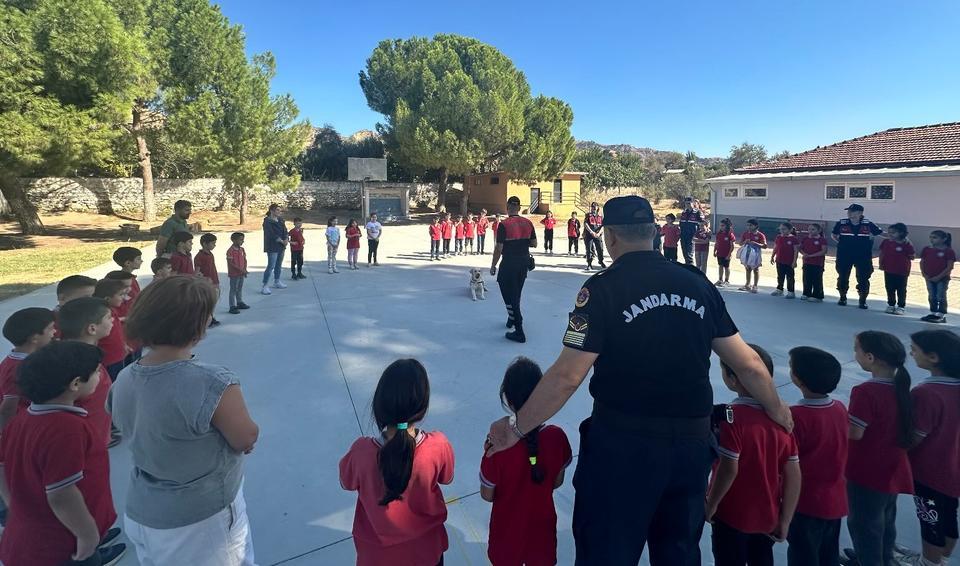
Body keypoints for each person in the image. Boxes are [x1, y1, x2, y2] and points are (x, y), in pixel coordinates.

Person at [485, 195, 793, 566]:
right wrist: (778, 409)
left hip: (623, 448)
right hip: (690, 448)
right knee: (678, 550)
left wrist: (517, 428)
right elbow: (748, 365)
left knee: (608, 549)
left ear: (610, 237)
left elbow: (568, 375)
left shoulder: (602, 289)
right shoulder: (697, 283)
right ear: (653, 232)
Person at [113, 275, 259, 566]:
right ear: (198, 325)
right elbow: (245, 437)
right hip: (199, 520)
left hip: (143, 509)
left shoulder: (125, 377)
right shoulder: (213, 381)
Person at [0, 341, 126, 566]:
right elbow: (61, 494)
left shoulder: (21, 419)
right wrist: (87, 535)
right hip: (63, 544)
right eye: (97, 372)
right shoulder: (66, 428)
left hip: (32, 533)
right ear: (76, 383)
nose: (100, 376)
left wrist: (15, 506)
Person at [339, 359, 454, 566]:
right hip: (426, 552)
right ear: (422, 407)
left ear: (379, 404)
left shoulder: (361, 452)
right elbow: (447, 478)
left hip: (376, 558)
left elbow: (346, 482)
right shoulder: (438, 445)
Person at [705, 344, 801, 566]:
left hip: (731, 512)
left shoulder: (731, 418)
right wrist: (785, 519)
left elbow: (729, 469)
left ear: (732, 379)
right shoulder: (783, 420)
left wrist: (711, 504)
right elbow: (793, 473)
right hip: (767, 513)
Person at [480, 357, 572, 566]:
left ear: (508, 400)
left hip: (506, 536)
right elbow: (556, 482)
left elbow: (487, 495)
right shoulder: (557, 437)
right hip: (542, 534)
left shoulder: (497, 447)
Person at [847, 331, 914, 566]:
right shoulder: (902, 386)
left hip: (867, 470)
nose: (854, 354)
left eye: (856, 350)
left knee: (864, 525)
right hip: (892, 466)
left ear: (870, 357)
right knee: (885, 521)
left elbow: (855, 432)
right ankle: (883, 558)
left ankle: (870, 560)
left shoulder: (865, 392)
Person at [786, 347, 847, 566]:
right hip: (835, 498)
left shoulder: (795, 416)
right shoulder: (839, 408)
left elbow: (787, 460)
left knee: (803, 555)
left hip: (806, 501)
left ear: (798, 379)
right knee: (828, 553)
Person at [908, 330, 960, 566]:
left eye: (915, 350)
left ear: (933, 357)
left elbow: (915, 436)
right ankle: (943, 559)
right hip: (953, 469)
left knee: (930, 520)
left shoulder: (926, 393)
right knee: (949, 517)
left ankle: (929, 562)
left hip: (930, 473)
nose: (911, 353)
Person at [58, 297, 116, 449]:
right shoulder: (74, 363)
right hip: (84, 444)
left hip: (96, 436)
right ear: (92, 329)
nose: (113, 321)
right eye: (109, 317)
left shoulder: (87, 354)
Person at [490, 196, 537, 343]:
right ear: (519, 207)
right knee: (516, 293)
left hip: (509, 263)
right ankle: (512, 318)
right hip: (523, 263)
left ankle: (519, 330)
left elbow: (499, 248)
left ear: (507, 206)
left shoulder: (504, 225)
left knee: (509, 295)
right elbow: (534, 243)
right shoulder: (528, 223)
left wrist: (493, 265)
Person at [0, 307, 56, 428]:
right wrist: (7, 435)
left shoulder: (19, 359)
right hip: (22, 424)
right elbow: (8, 408)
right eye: (51, 328)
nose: (55, 332)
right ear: (34, 338)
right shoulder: (18, 368)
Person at [832, 203, 883, 308]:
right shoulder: (842, 223)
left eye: (852, 211)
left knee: (863, 277)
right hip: (844, 254)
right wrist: (842, 244)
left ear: (860, 213)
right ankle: (842, 297)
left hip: (863, 255)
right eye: (848, 211)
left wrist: (898, 237)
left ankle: (862, 300)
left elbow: (880, 232)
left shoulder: (868, 224)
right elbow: (834, 235)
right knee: (842, 276)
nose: (849, 213)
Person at [93, 279, 131, 381]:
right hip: (110, 360)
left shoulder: (112, 311)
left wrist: (124, 345)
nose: (124, 298)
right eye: (120, 295)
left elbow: (117, 331)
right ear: (107, 299)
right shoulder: (102, 315)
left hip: (119, 355)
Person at [919, 229, 955, 323]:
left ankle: (941, 314)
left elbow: (949, 266)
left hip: (942, 278)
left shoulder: (948, 251)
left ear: (943, 239)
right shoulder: (926, 249)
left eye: (935, 237)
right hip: (929, 277)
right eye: (930, 237)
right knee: (932, 295)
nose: (932, 239)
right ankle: (933, 312)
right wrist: (924, 273)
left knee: (941, 295)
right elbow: (922, 261)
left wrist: (939, 277)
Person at [878, 222, 915, 315]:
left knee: (901, 289)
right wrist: (881, 263)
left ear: (901, 233)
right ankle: (891, 304)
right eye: (889, 232)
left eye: (893, 233)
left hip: (902, 270)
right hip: (888, 268)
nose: (890, 234)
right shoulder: (886, 242)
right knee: (889, 287)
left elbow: (912, 256)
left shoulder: (907, 244)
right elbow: (882, 253)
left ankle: (901, 306)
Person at [194, 233, 223, 327]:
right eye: (212, 243)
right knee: (207, 301)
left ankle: (210, 316)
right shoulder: (199, 256)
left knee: (214, 299)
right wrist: (203, 279)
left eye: (215, 243)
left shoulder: (210, 254)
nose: (214, 245)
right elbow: (197, 272)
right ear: (204, 244)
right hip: (206, 282)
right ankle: (205, 319)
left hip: (214, 280)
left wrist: (216, 281)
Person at [261, 203, 289, 295]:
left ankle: (277, 281)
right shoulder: (267, 221)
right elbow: (270, 234)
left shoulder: (281, 220)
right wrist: (281, 240)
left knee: (278, 264)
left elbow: (285, 230)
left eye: (280, 210)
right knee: (271, 266)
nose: (279, 212)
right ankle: (265, 285)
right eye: (277, 210)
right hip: (272, 246)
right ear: (272, 211)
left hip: (281, 246)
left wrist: (286, 238)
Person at [770, 222, 800, 299]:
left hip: (789, 261)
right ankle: (779, 289)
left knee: (790, 277)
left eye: (784, 229)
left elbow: (796, 251)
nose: (782, 231)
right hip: (779, 260)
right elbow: (776, 247)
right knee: (780, 276)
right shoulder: (778, 237)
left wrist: (794, 261)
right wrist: (772, 256)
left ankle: (791, 291)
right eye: (781, 229)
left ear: (790, 230)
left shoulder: (793, 239)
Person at [799, 223, 828, 302]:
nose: (810, 231)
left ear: (819, 230)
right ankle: (806, 293)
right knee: (806, 278)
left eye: (813, 229)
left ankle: (817, 296)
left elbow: (824, 251)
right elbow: (800, 248)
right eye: (809, 229)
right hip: (807, 262)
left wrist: (811, 256)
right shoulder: (805, 239)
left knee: (817, 279)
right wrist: (804, 254)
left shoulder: (822, 240)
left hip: (817, 263)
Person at [112, 246, 143, 316]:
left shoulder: (132, 278)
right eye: (138, 259)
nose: (141, 261)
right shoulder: (122, 280)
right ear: (128, 263)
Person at [738, 219, 767, 293]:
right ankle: (747, 284)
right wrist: (745, 242)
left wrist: (755, 243)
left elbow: (765, 246)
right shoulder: (745, 233)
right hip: (747, 254)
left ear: (756, 226)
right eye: (747, 225)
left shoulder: (760, 235)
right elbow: (740, 243)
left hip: (756, 255)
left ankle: (755, 285)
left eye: (750, 225)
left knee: (756, 269)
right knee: (747, 268)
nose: (749, 227)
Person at [226, 232, 250, 315]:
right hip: (234, 274)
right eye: (240, 240)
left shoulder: (242, 249)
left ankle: (239, 302)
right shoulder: (230, 251)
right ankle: (232, 306)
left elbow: (245, 260)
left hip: (241, 273)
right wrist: (240, 270)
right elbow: (231, 263)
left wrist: (244, 269)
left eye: (243, 240)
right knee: (233, 289)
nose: (242, 241)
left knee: (239, 288)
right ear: (233, 240)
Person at [679, 197, 704, 265]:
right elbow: (680, 224)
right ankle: (688, 269)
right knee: (685, 254)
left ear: (693, 203)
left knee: (689, 255)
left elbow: (703, 224)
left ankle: (691, 270)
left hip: (692, 236)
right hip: (683, 236)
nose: (687, 205)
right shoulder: (683, 213)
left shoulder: (698, 212)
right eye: (686, 203)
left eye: (689, 203)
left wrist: (699, 234)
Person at [714, 218, 736, 286]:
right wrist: (714, 250)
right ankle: (720, 279)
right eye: (720, 225)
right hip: (719, 253)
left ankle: (727, 280)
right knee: (720, 266)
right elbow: (716, 243)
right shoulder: (719, 233)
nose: (721, 227)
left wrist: (729, 255)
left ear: (727, 226)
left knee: (726, 267)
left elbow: (732, 246)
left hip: (726, 254)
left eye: (723, 225)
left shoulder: (730, 234)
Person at [583, 202, 605, 270]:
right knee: (589, 249)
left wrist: (599, 233)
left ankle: (601, 261)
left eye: (595, 206)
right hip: (589, 234)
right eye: (593, 206)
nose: (594, 208)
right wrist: (591, 232)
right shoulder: (588, 215)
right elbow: (585, 224)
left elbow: (603, 225)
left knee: (600, 249)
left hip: (598, 234)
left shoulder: (601, 216)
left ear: (598, 207)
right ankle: (589, 264)